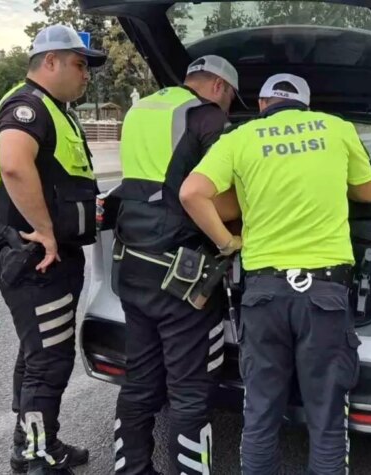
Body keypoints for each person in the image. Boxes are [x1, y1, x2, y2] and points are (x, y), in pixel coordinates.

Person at [179, 73, 371, 474]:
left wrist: (227, 241)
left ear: (261, 104)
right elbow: (370, 193)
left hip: (264, 294)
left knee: (260, 413)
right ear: (306, 105)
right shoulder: (337, 129)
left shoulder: (239, 137)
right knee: (326, 419)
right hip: (324, 293)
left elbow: (191, 193)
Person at [111, 55, 243, 475]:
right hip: (180, 274)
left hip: (132, 264)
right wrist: (234, 235)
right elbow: (215, 196)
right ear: (219, 87)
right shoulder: (206, 117)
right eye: (230, 98)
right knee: (190, 392)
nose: (228, 107)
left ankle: (132, 469)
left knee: (140, 381)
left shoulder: (140, 110)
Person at [0, 24, 106, 475]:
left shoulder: (57, 109)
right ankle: (36, 456)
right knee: (48, 359)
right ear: (50, 61)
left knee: (39, 351)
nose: (86, 74)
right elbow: (14, 165)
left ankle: (34, 444)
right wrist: (46, 231)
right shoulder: (29, 106)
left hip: (51, 255)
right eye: (80, 64)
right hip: (35, 254)